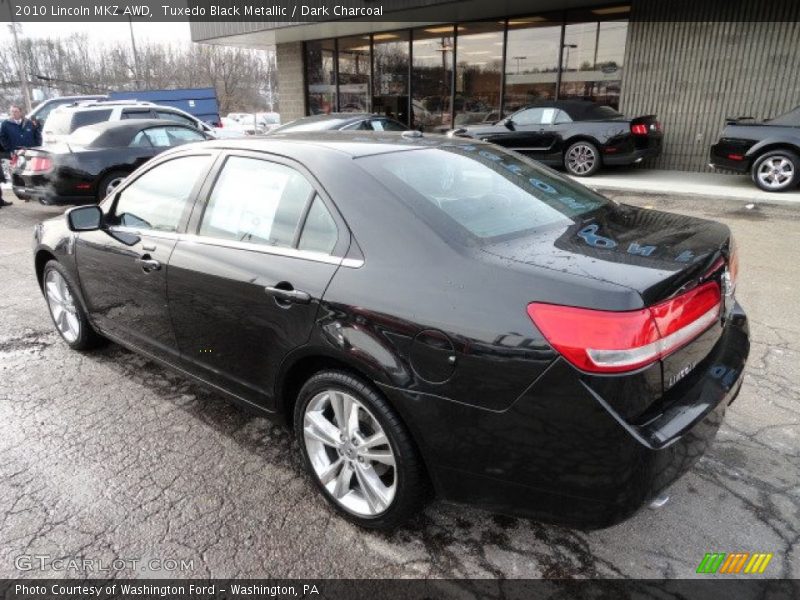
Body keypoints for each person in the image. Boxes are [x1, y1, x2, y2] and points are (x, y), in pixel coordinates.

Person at [0, 105, 42, 206]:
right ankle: (23, 194)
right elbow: (3, 138)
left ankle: (35, 194)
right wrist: (9, 148)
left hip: (30, 152)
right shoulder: (6, 124)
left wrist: (37, 147)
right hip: (15, 153)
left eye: (16, 111)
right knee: (18, 174)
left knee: (32, 173)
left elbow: (37, 134)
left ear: (21, 112)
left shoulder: (29, 123)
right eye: (12, 112)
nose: (14, 114)